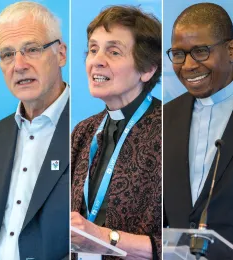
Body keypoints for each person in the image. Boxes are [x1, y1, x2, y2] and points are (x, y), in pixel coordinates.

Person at [0, 2, 69, 260]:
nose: (19, 65)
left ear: (61, 53)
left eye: (32, 49)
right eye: (7, 54)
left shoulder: (86, 129)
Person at [163, 2, 233, 259]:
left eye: (200, 51)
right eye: (178, 54)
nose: (188, 65)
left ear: (231, 50)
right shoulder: (165, 117)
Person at [71, 6, 162, 259]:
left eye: (113, 51)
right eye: (92, 49)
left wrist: (105, 239)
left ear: (148, 70)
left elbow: (183, 242)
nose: (97, 60)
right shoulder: (83, 131)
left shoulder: (170, 130)